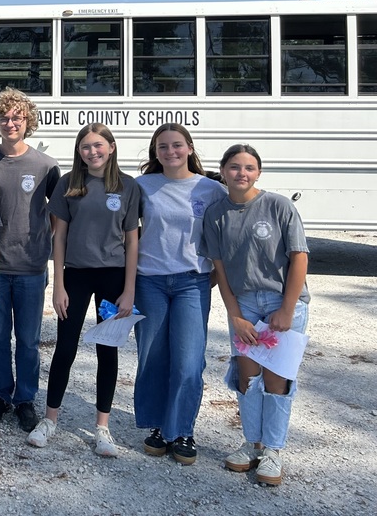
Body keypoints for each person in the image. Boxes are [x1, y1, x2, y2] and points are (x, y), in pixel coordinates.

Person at [27, 123, 139, 456]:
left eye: (98, 145)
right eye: (85, 147)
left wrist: (129, 290)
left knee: (108, 350)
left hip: (114, 277)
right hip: (76, 275)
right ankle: (50, 419)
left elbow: (133, 241)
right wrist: (58, 284)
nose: (92, 152)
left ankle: (102, 428)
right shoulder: (69, 185)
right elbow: (58, 237)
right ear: (79, 152)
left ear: (112, 147)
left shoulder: (128, 187)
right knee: (65, 348)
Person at [202, 144, 309, 486]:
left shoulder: (278, 206)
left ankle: (274, 450)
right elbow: (219, 268)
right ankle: (252, 443)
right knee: (247, 378)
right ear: (223, 171)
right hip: (245, 304)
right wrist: (236, 316)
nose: (241, 174)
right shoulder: (216, 213)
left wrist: (287, 308)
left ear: (258, 172)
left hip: (281, 300)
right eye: (234, 167)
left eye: (249, 167)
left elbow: (299, 258)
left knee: (276, 380)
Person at [134, 123, 227, 465]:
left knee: (189, 361)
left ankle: (183, 428)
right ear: (154, 153)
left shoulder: (210, 189)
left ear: (189, 148)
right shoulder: (142, 186)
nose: (170, 152)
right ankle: (158, 425)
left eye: (176, 145)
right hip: (150, 282)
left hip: (192, 282)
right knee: (153, 357)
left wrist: (215, 276)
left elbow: (225, 235)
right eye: (162, 147)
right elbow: (125, 232)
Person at [0, 88, 60, 433]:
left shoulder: (45, 166)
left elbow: (58, 214)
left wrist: (42, 242)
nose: (11, 123)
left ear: (29, 122)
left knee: (27, 340)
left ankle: (25, 399)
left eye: (17, 117)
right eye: (4, 118)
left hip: (31, 269)